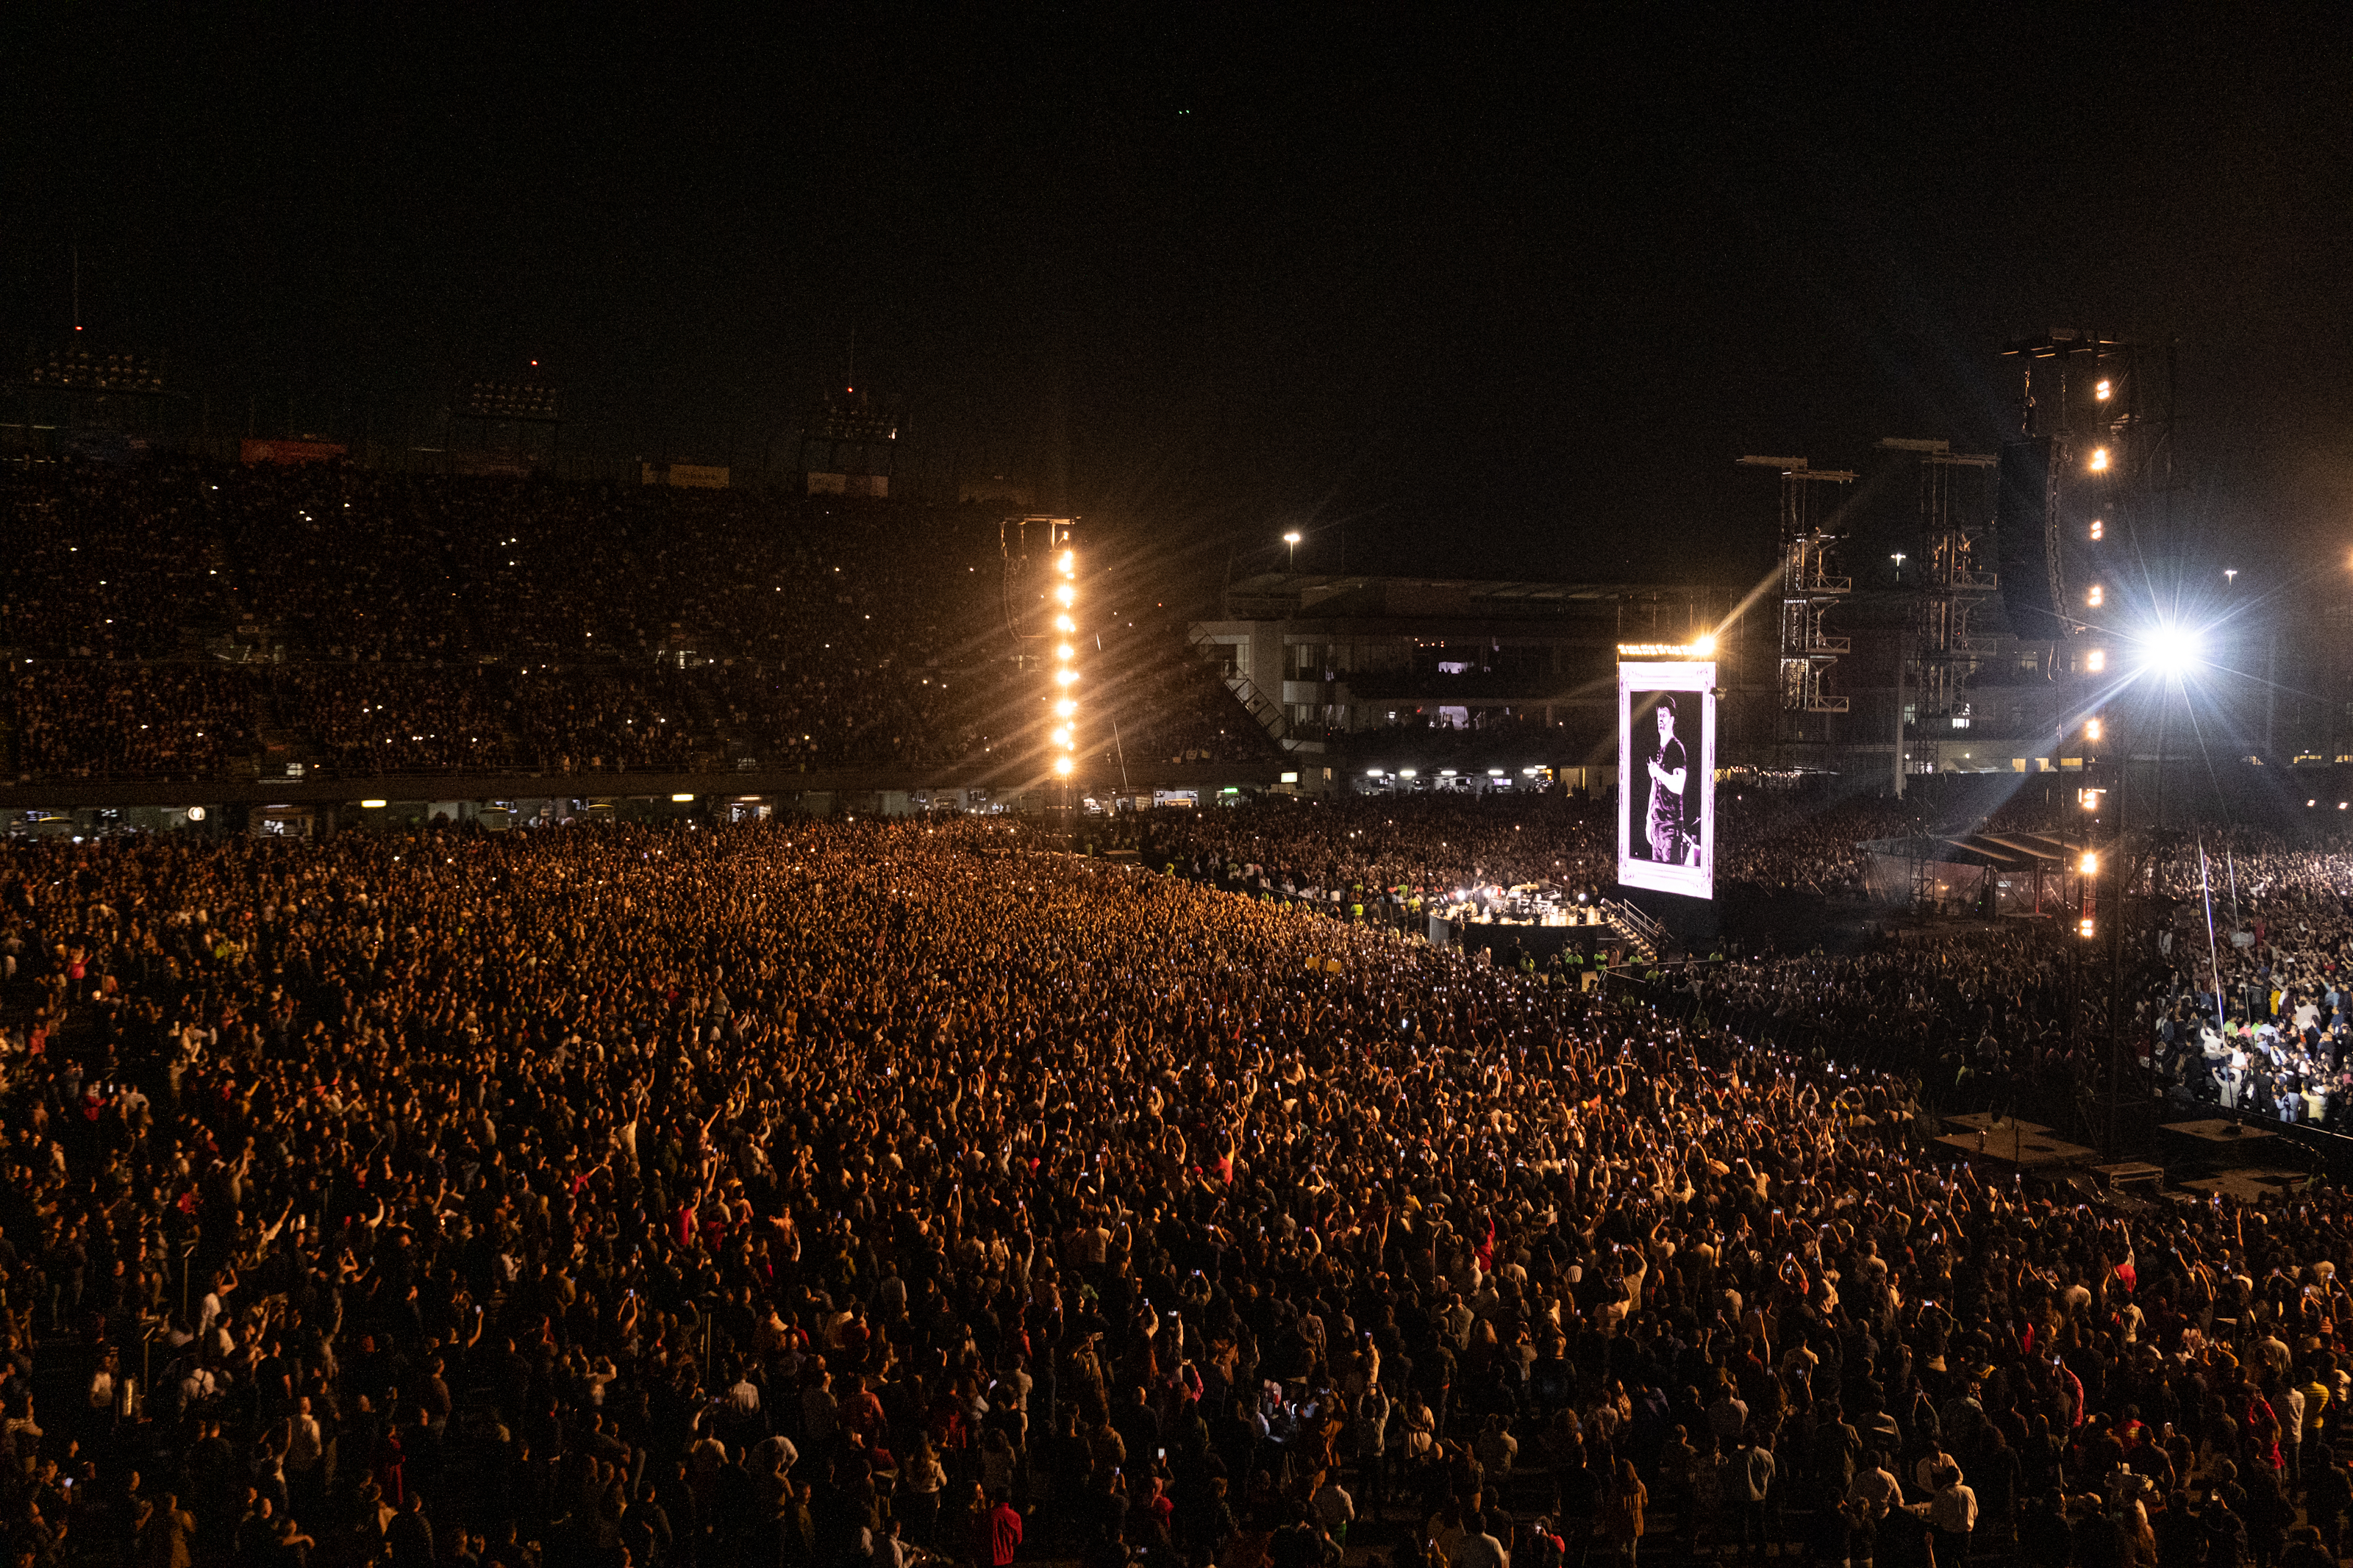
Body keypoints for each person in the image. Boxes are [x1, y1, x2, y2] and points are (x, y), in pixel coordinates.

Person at [1641, 695, 1690, 864]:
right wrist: (1649, 819)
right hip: (1657, 825)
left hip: (1670, 826)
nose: (1660, 718)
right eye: (1658, 715)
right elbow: (1654, 789)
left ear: (1672, 719)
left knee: (1671, 876)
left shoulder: (1676, 748)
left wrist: (1659, 773)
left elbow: (1679, 786)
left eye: (1664, 714)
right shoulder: (1660, 750)